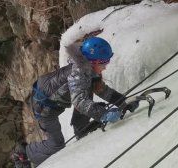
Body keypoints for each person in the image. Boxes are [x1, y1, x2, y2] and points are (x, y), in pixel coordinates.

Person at [11, 37, 139, 167]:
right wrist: (104, 114)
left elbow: (101, 90)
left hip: (52, 98)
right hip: (43, 105)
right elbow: (80, 102)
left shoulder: (89, 70)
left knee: (87, 91)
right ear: (93, 62)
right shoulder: (78, 73)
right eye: (104, 63)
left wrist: (124, 101)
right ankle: (23, 153)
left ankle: (81, 129)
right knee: (56, 145)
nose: (105, 67)